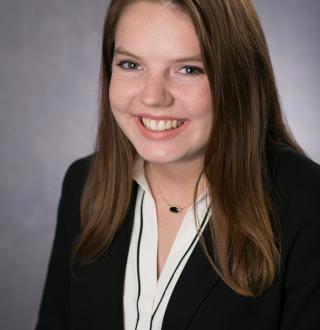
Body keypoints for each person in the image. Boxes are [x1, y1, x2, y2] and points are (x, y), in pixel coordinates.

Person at [35, 0, 320, 329]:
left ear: (239, 76)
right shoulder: (83, 184)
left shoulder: (307, 203)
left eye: (189, 69)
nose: (153, 97)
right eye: (131, 64)